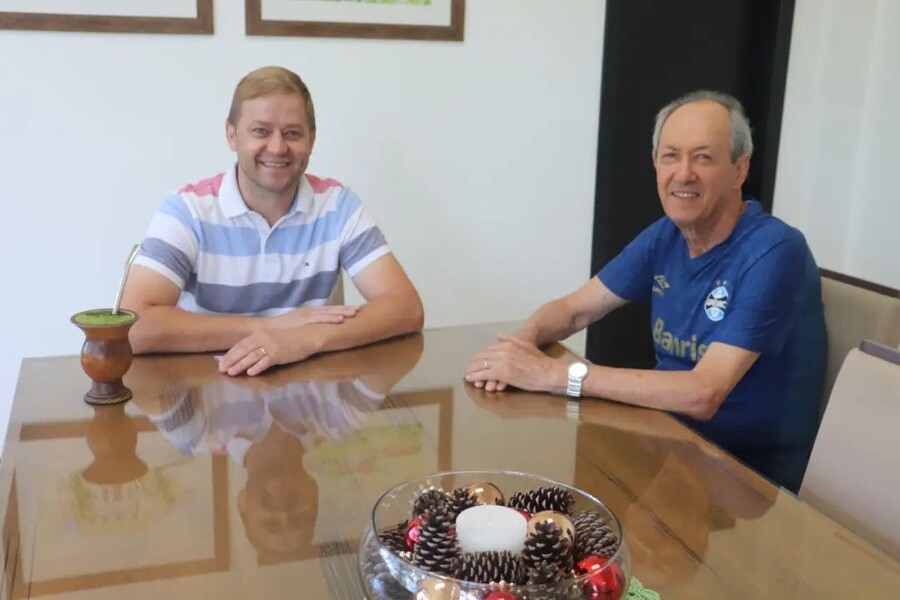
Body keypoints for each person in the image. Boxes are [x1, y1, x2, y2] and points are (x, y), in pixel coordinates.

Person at [464, 90, 826, 492]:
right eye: (670, 156)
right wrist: (519, 346)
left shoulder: (775, 250)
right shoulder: (666, 235)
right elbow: (574, 310)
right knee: (525, 474)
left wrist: (554, 374)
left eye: (703, 157)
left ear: (739, 170)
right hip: (669, 441)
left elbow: (703, 393)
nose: (683, 173)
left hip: (749, 483)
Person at [121, 66, 423, 377]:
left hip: (308, 393)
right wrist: (273, 329)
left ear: (312, 139)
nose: (278, 148)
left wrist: (307, 337)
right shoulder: (187, 210)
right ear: (231, 135)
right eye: (261, 131)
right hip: (207, 389)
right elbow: (132, 327)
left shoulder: (337, 205)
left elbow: (406, 307)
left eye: (292, 133)